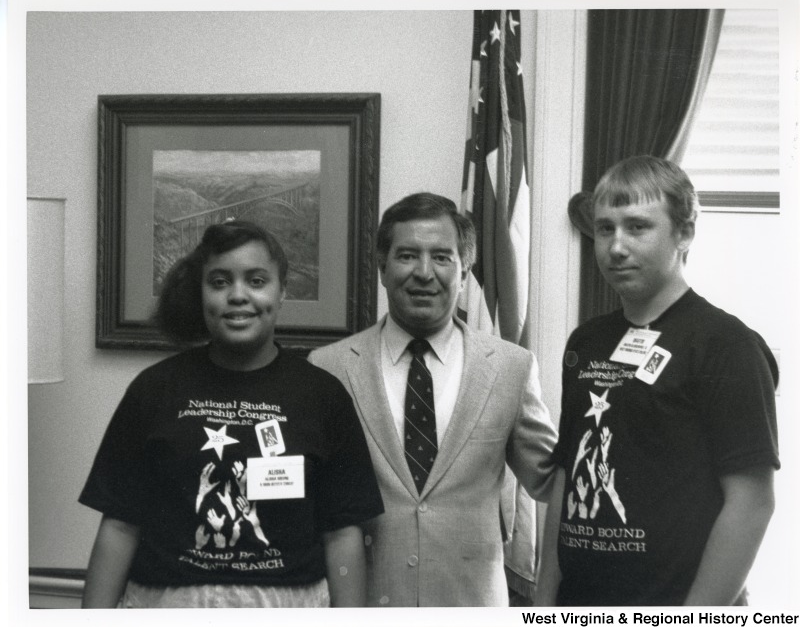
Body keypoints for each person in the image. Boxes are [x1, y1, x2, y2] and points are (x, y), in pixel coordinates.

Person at [79, 220, 383, 608]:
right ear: (201, 293)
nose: (238, 296)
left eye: (256, 281)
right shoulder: (153, 390)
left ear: (282, 290)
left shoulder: (323, 396)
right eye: (220, 282)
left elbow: (342, 533)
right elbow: (120, 526)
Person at [536, 156, 780, 606]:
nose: (616, 247)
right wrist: (543, 602)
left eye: (637, 227)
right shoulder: (586, 342)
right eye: (605, 229)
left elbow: (752, 503)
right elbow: (567, 477)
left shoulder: (726, 345)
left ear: (684, 234)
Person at [308, 192, 557, 607]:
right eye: (407, 256)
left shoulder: (511, 368)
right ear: (382, 267)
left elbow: (553, 481)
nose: (424, 273)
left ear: (464, 273)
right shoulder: (329, 367)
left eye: (442, 257)